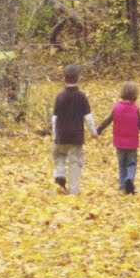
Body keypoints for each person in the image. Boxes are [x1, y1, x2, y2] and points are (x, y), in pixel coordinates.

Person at [94, 81, 140, 194]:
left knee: (122, 164)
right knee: (131, 163)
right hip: (132, 143)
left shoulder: (116, 108)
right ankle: (130, 178)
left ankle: (122, 186)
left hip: (119, 143)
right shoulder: (135, 109)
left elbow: (108, 120)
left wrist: (99, 129)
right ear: (135, 95)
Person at [51, 63, 96, 195]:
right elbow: (88, 118)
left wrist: (54, 135)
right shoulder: (82, 97)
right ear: (79, 78)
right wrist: (93, 132)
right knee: (75, 162)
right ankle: (74, 190)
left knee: (59, 155)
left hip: (61, 135)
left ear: (64, 79)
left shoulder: (59, 96)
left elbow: (54, 119)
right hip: (76, 136)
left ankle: (60, 173)